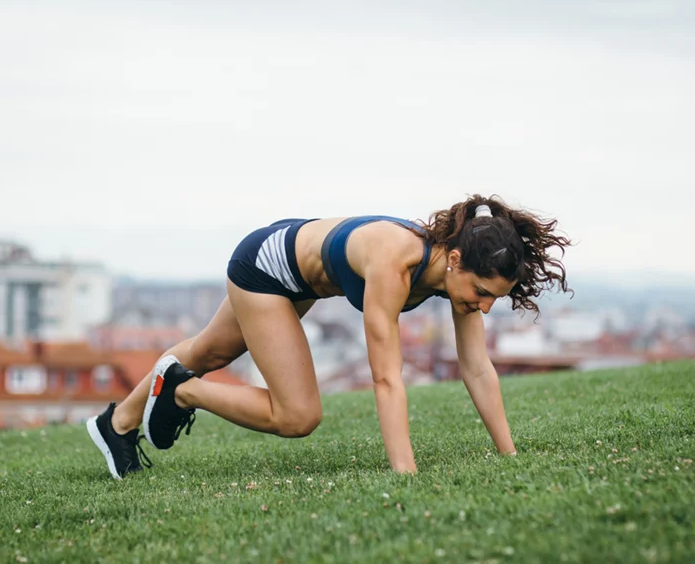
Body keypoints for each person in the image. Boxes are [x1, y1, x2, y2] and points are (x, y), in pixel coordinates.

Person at [86, 194, 571, 479]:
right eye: (483, 293)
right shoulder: (396, 262)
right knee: (298, 415)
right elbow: (386, 379)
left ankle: (118, 425)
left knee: (207, 350)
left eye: (494, 300)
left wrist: (509, 457)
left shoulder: (457, 275)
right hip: (266, 267)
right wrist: (406, 476)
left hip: (293, 269)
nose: (483, 307)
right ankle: (183, 389)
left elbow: (477, 367)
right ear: (459, 260)